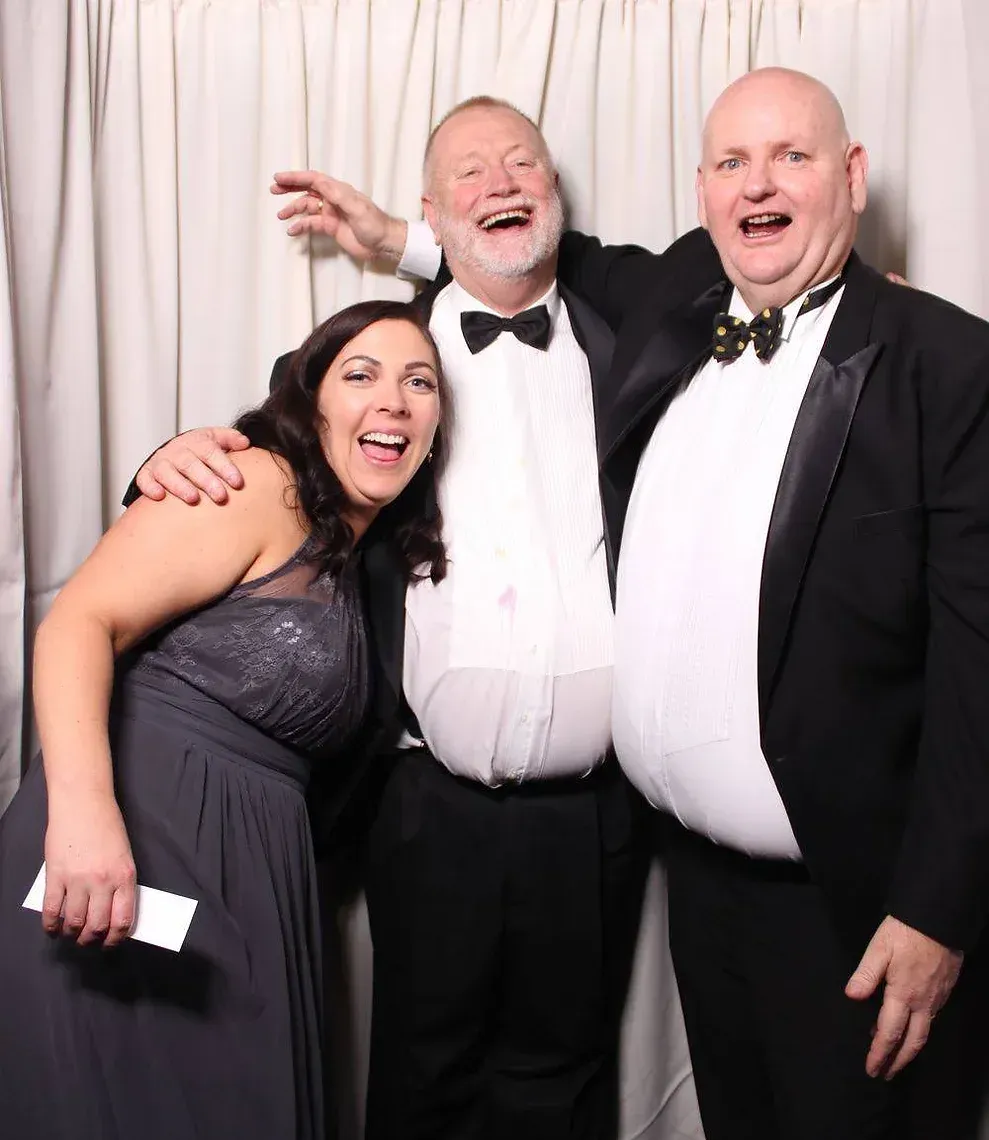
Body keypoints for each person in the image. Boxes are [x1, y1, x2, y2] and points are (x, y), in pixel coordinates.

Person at [129, 96, 724, 1140]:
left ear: (555, 192)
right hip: (422, 806)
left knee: (566, 1082)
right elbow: (261, 459)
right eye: (470, 172)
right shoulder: (378, 362)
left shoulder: (625, 334)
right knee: (421, 1080)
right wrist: (163, 464)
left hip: (592, 816)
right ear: (431, 213)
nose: (501, 184)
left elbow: (732, 273)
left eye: (521, 163)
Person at [0, 300, 445, 1140]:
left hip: (244, 875)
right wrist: (85, 822)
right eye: (361, 374)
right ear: (311, 403)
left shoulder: (360, 557)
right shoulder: (257, 485)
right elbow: (78, 624)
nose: (392, 399)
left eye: (418, 383)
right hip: (122, 849)